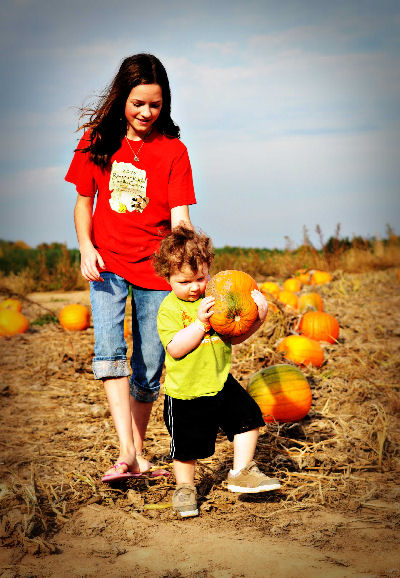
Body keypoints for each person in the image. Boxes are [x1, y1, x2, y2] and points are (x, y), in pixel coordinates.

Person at [65, 53, 196, 482]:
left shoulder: (174, 150)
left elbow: (180, 220)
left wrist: (193, 266)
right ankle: (127, 452)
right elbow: (84, 204)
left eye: (154, 105)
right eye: (138, 102)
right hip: (106, 265)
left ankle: (135, 457)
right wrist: (86, 247)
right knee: (109, 354)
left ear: (165, 104)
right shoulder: (96, 141)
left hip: (156, 271)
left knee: (150, 365)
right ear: (123, 97)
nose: (145, 112)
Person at [154, 226, 281, 518]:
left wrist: (257, 319)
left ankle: (241, 471)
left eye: (201, 278)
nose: (195, 287)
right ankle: (185, 488)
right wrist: (199, 324)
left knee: (249, 418)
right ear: (168, 278)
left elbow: (233, 336)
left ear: (209, 269)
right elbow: (175, 348)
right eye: (185, 281)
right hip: (186, 391)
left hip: (221, 381)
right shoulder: (169, 309)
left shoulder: (218, 298)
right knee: (187, 447)